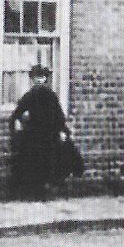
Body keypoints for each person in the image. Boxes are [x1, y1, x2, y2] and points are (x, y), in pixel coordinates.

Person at [9, 64, 74, 197]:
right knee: (32, 161)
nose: (39, 80)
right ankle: (34, 190)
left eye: (42, 77)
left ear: (46, 79)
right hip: (33, 134)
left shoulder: (51, 96)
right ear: (32, 79)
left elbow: (58, 115)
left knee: (51, 159)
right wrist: (17, 120)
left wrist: (62, 130)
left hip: (49, 133)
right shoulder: (29, 96)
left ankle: (50, 188)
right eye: (36, 77)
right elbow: (18, 113)